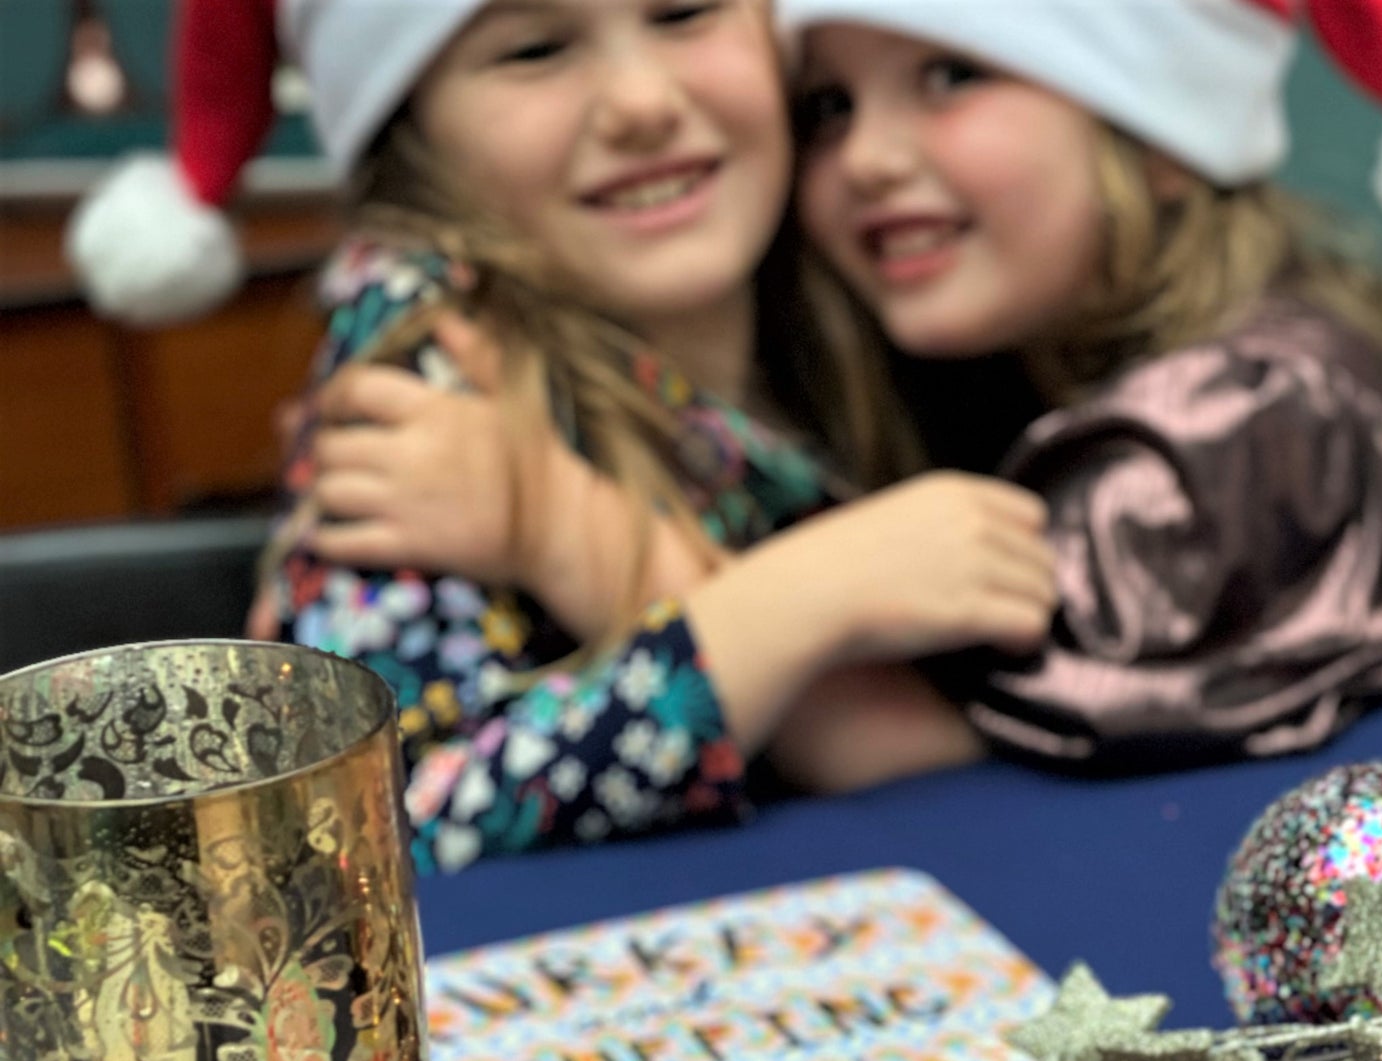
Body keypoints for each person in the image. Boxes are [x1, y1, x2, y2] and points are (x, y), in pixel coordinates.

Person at [67, 0, 1046, 868]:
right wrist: (790, 603)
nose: (639, 102)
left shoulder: (854, 256)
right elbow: (367, 844)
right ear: (411, 133)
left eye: (683, 12)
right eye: (534, 48)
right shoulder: (429, 372)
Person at [772, 0, 1382, 777]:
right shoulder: (999, 367)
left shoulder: (1245, 418)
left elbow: (978, 773)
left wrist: (754, 604)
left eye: (952, 74)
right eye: (829, 105)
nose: (866, 156)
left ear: (1161, 141)